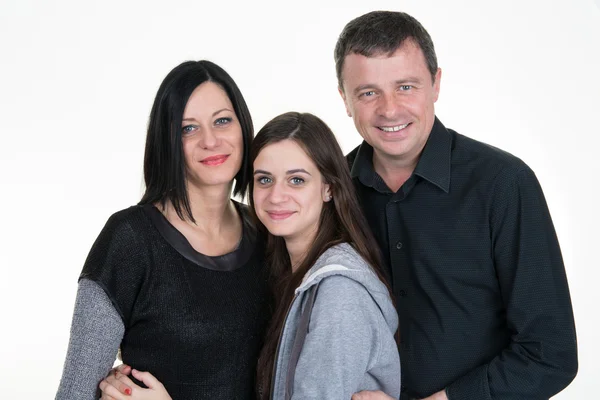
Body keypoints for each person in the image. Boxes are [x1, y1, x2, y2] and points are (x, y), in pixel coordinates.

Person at [335, 11, 578, 400]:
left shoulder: (503, 184)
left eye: (406, 87)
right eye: (368, 92)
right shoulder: (330, 191)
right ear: (344, 99)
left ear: (436, 84)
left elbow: (551, 355)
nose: (390, 109)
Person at [98, 113, 402, 400]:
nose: (276, 196)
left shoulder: (339, 293)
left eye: (297, 180)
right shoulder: (284, 274)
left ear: (329, 189)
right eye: (265, 179)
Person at [55, 60, 271, 400]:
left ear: (243, 126)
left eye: (222, 120)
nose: (210, 140)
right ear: (166, 142)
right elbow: (74, 393)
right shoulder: (130, 239)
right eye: (188, 128)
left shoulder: (269, 233)